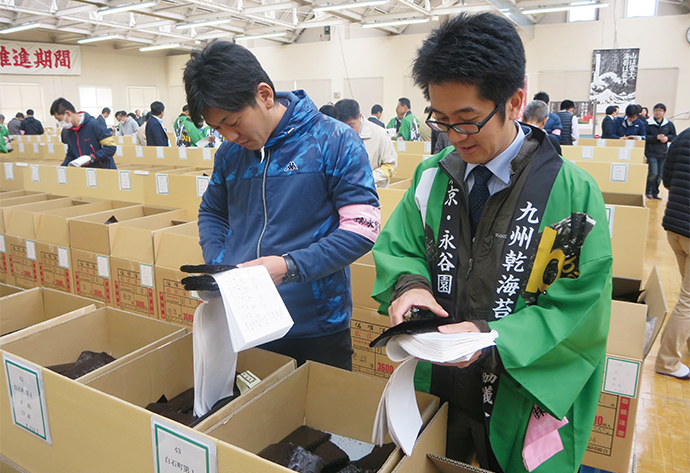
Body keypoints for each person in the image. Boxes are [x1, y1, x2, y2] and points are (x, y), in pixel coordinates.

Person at [371, 13, 612, 473]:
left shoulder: (572, 195)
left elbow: (578, 308)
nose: (453, 136)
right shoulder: (430, 176)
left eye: (467, 120)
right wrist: (410, 286)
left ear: (515, 102)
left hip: (519, 392)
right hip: (439, 382)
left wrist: (493, 337)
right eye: (440, 120)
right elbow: (399, 246)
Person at [183, 40, 380, 370]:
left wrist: (288, 267)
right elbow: (213, 211)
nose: (229, 136)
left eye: (232, 122)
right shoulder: (230, 155)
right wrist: (221, 261)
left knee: (320, 418)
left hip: (315, 325)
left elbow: (361, 230)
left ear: (264, 95)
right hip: (244, 318)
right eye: (218, 129)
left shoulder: (333, 140)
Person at [654, 126, 690, 380]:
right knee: (687, 301)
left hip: (675, 228)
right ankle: (667, 361)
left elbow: (666, 180)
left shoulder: (683, 137)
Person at [335, 98, 398, 188]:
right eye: (341, 126)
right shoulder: (335, 135)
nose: (346, 131)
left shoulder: (380, 135)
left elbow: (390, 166)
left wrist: (366, 179)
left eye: (351, 125)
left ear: (360, 116)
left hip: (372, 193)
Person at [49, 98, 117, 169]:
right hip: (85, 173)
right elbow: (71, 154)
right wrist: (62, 169)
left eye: (60, 119)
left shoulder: (94, 125)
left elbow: (110, 147)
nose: (60, 123)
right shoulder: (70, 132)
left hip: (103, 171)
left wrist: (92, 157)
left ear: (68, 113)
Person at [645, 103, 677, 200]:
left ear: (664, 112)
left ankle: (655, 192)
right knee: (653, 172)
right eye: (655, 110)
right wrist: (656, 137)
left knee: (660, 175)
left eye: (660, 111)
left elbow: (674, 136)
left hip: (663, 153)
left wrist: (667, 138)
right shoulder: (648, 123)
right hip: (651, 152)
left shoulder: (668, 124)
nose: (657, 112)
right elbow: (644, 137)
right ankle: (648, 190)